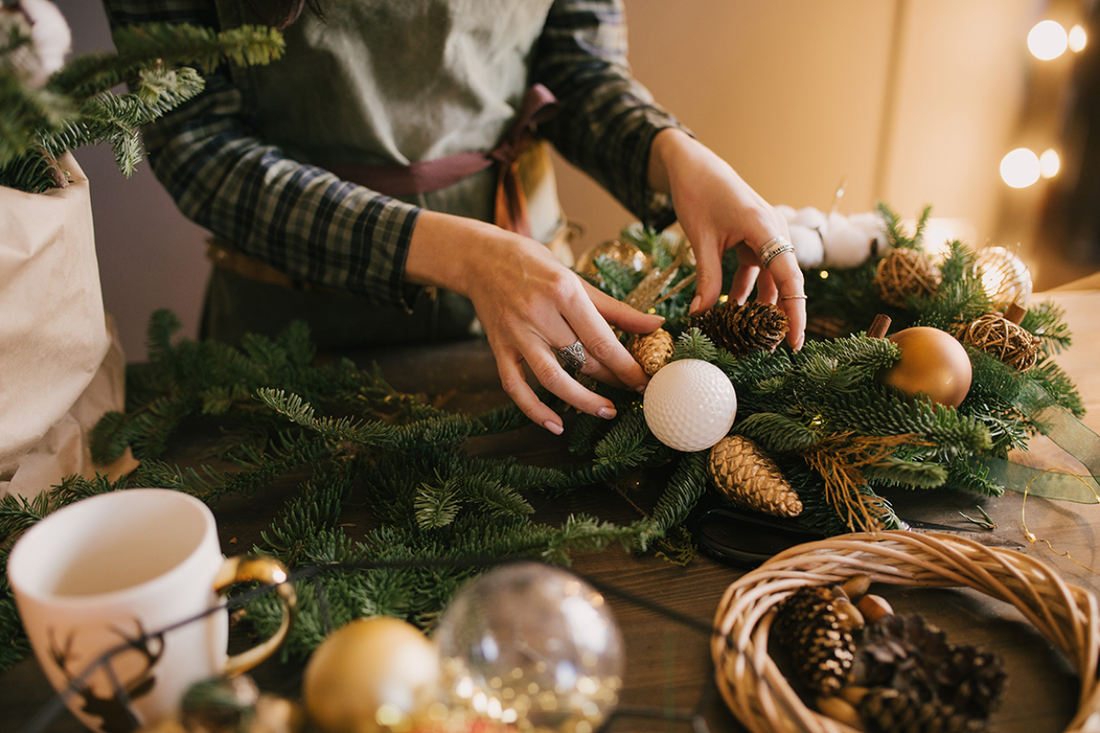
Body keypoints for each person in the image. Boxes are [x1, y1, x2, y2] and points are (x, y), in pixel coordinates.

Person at [103, 0, 805, 435]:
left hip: (539, 306)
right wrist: (464, 255)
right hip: (296, 336)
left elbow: (574, 62)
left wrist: (672, 153)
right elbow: (196, 143)